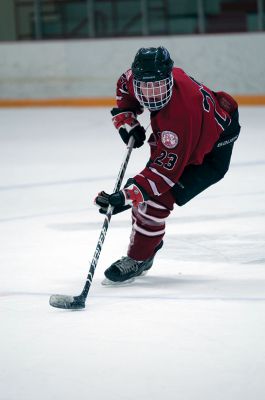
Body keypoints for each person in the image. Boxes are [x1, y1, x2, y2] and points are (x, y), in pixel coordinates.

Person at [95, 46, 241, 285]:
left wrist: (128, 195)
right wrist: (126, 117)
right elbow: (125, 84)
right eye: (145, 87)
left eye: (158, 86)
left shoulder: (180, 117)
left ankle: (140, 258)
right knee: (145, 193)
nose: (151, 95)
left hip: (211, 151)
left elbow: (163, 174)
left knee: (155, 200)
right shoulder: (137, 78)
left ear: (170, 78)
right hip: (193, 130)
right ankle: (148, 240)